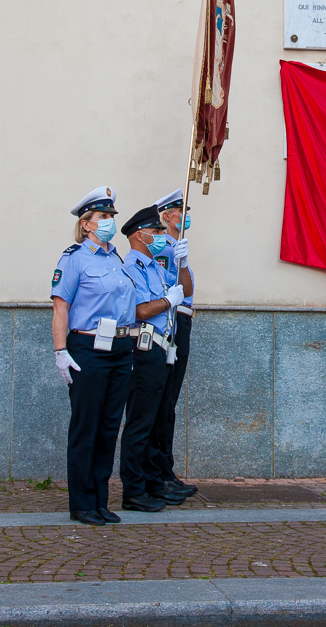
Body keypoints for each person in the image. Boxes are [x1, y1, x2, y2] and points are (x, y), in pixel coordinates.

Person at [50, 187, 135, 525]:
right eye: (103, 218)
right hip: (88, 348)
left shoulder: (115, 258)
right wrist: (61, 351)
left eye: (111, 217)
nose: (109, 222)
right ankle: (82, 503)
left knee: (109, 428)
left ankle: (100, 499)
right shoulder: (74, 258)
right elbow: (61, 308)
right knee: (86, 427)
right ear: (86, 224)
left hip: (119, 347)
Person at [118, 206, 186, 512]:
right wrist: (167, 301)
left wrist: (182, 262)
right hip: (142, 349)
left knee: (156, 418)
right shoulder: (131, 267)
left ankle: (153, 483)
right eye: (156, 232)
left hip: (161, 347)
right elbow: (140, 311)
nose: (161, 236)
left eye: (161, 230)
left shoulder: (156, 267)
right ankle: (133, 489)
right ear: (139, 235)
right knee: (139, 422)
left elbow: (186, 290)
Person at [152, 189, 197, 498]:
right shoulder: (161, 248)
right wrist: (176, 258)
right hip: (171, 321)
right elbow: (171, 287)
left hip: (183, 321)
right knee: (162, 401)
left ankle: (164, 468)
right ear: (166, 216)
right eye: (180, 212)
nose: (185, 216)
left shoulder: (176, 246)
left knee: (170, 403)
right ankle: (158, 471)